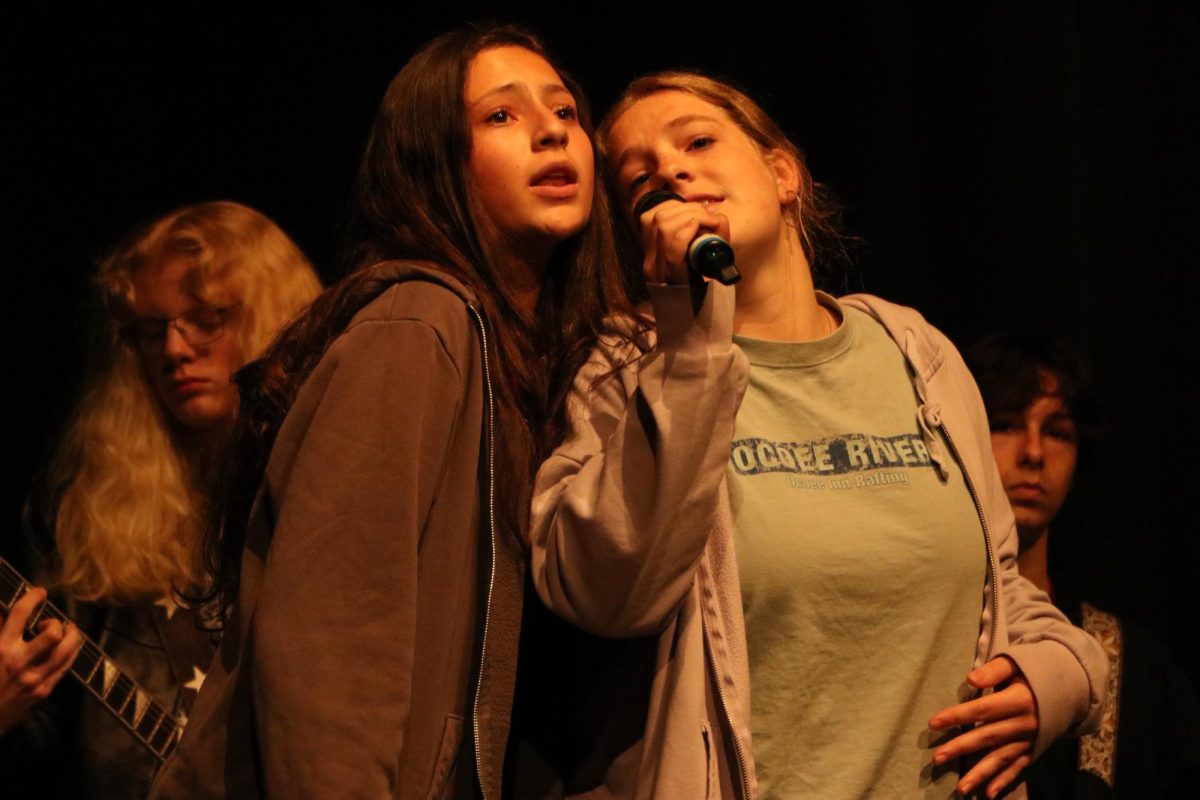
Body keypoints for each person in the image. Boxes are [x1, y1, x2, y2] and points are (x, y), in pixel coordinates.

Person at [528, 72, 1109, 799]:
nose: (672, 171)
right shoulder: (624, 368)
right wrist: (690, 348)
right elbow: (610, 594)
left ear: (782, 173)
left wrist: (1059, 673)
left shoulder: (914, 352)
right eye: (640, 180)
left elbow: (994, 585)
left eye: (698, 142)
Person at [148, 25, 631, 800]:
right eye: (501, 117)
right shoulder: (418, 324)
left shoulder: (536, 358)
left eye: (566, 112)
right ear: (434, 162)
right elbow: (331, 635)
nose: (551, 131)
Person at [0, 201, 321, 798]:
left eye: (206, 318)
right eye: (152, 330)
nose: (174, 350)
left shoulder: (327, 493)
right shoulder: (92, 520)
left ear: (270, 320)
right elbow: (47, 742)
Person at [966, 332, 1200, 799]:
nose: (1033, 453)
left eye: (1057, 431)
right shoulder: (926, 631)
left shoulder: (1136, 665)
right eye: (1007, 424)